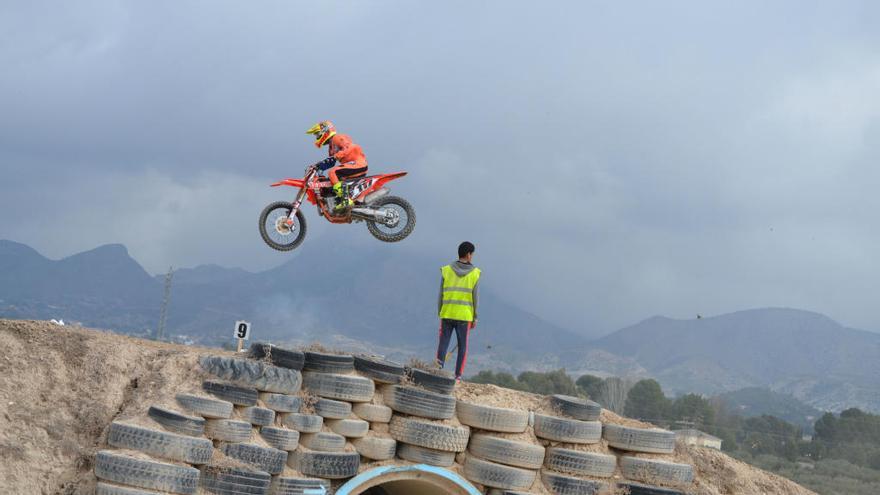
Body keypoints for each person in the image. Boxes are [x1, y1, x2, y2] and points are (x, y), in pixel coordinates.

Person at [435, 241, 481, 382]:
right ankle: (458, 376)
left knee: (443, 344)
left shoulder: (446, 270)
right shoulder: (475, 273)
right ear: (468, 255)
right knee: (462, 347)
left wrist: (440, 312)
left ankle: (437, 371)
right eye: (472, 254)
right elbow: (475, 298)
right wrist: (474, 317)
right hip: (464, 316)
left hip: (447, 313)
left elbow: (440, 294)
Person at [305, 120, 368, 211]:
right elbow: (331, 162)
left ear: (325, 131)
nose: (317, 137)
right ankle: (339, 202)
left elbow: (349, 147)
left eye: (318, 134)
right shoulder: (331, 148)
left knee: (333, 172)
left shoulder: (337, 138)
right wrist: (319, 167)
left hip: (358, 164)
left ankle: (345, 200)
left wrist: (336, 156)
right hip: (352, 166)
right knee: (329, 180)